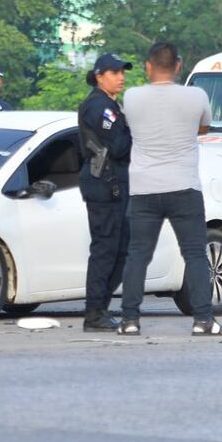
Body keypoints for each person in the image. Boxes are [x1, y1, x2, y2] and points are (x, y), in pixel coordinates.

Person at [117, 42, 222, 337]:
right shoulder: (196, 96)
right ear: (178, 65)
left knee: (138, 254)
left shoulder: (132, 97)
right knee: (194, 253)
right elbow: (203, 128)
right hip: (184, 186)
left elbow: (130, 128)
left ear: (148, 66)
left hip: (143, 187)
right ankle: (204, 320)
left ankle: (129, 319)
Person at [76, 52, 134, 331]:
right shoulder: (99, 106)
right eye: (114, 72)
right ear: (100, 76)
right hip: (104, 182)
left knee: (121, 249)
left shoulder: (113, 105)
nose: (121, 77)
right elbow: (120, 146)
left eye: (122, 72)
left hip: (116, 183)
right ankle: (94, 312)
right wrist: (135, 131)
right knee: (105, 249)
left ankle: (101, 308)